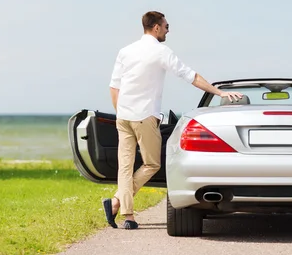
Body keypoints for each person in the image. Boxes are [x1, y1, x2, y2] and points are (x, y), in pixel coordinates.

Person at [103, 11, 243, 229]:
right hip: (144, 116)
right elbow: (191, 76)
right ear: (156, 27)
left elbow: (114, 86)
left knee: (125, 166)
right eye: (166, 26)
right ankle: (117, 202)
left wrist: (120, 111)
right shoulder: (161, 52)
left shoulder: (125, 51)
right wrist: (218, 92)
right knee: (151, 164)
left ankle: (127, 215)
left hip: (124, 116)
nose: (168, 30)